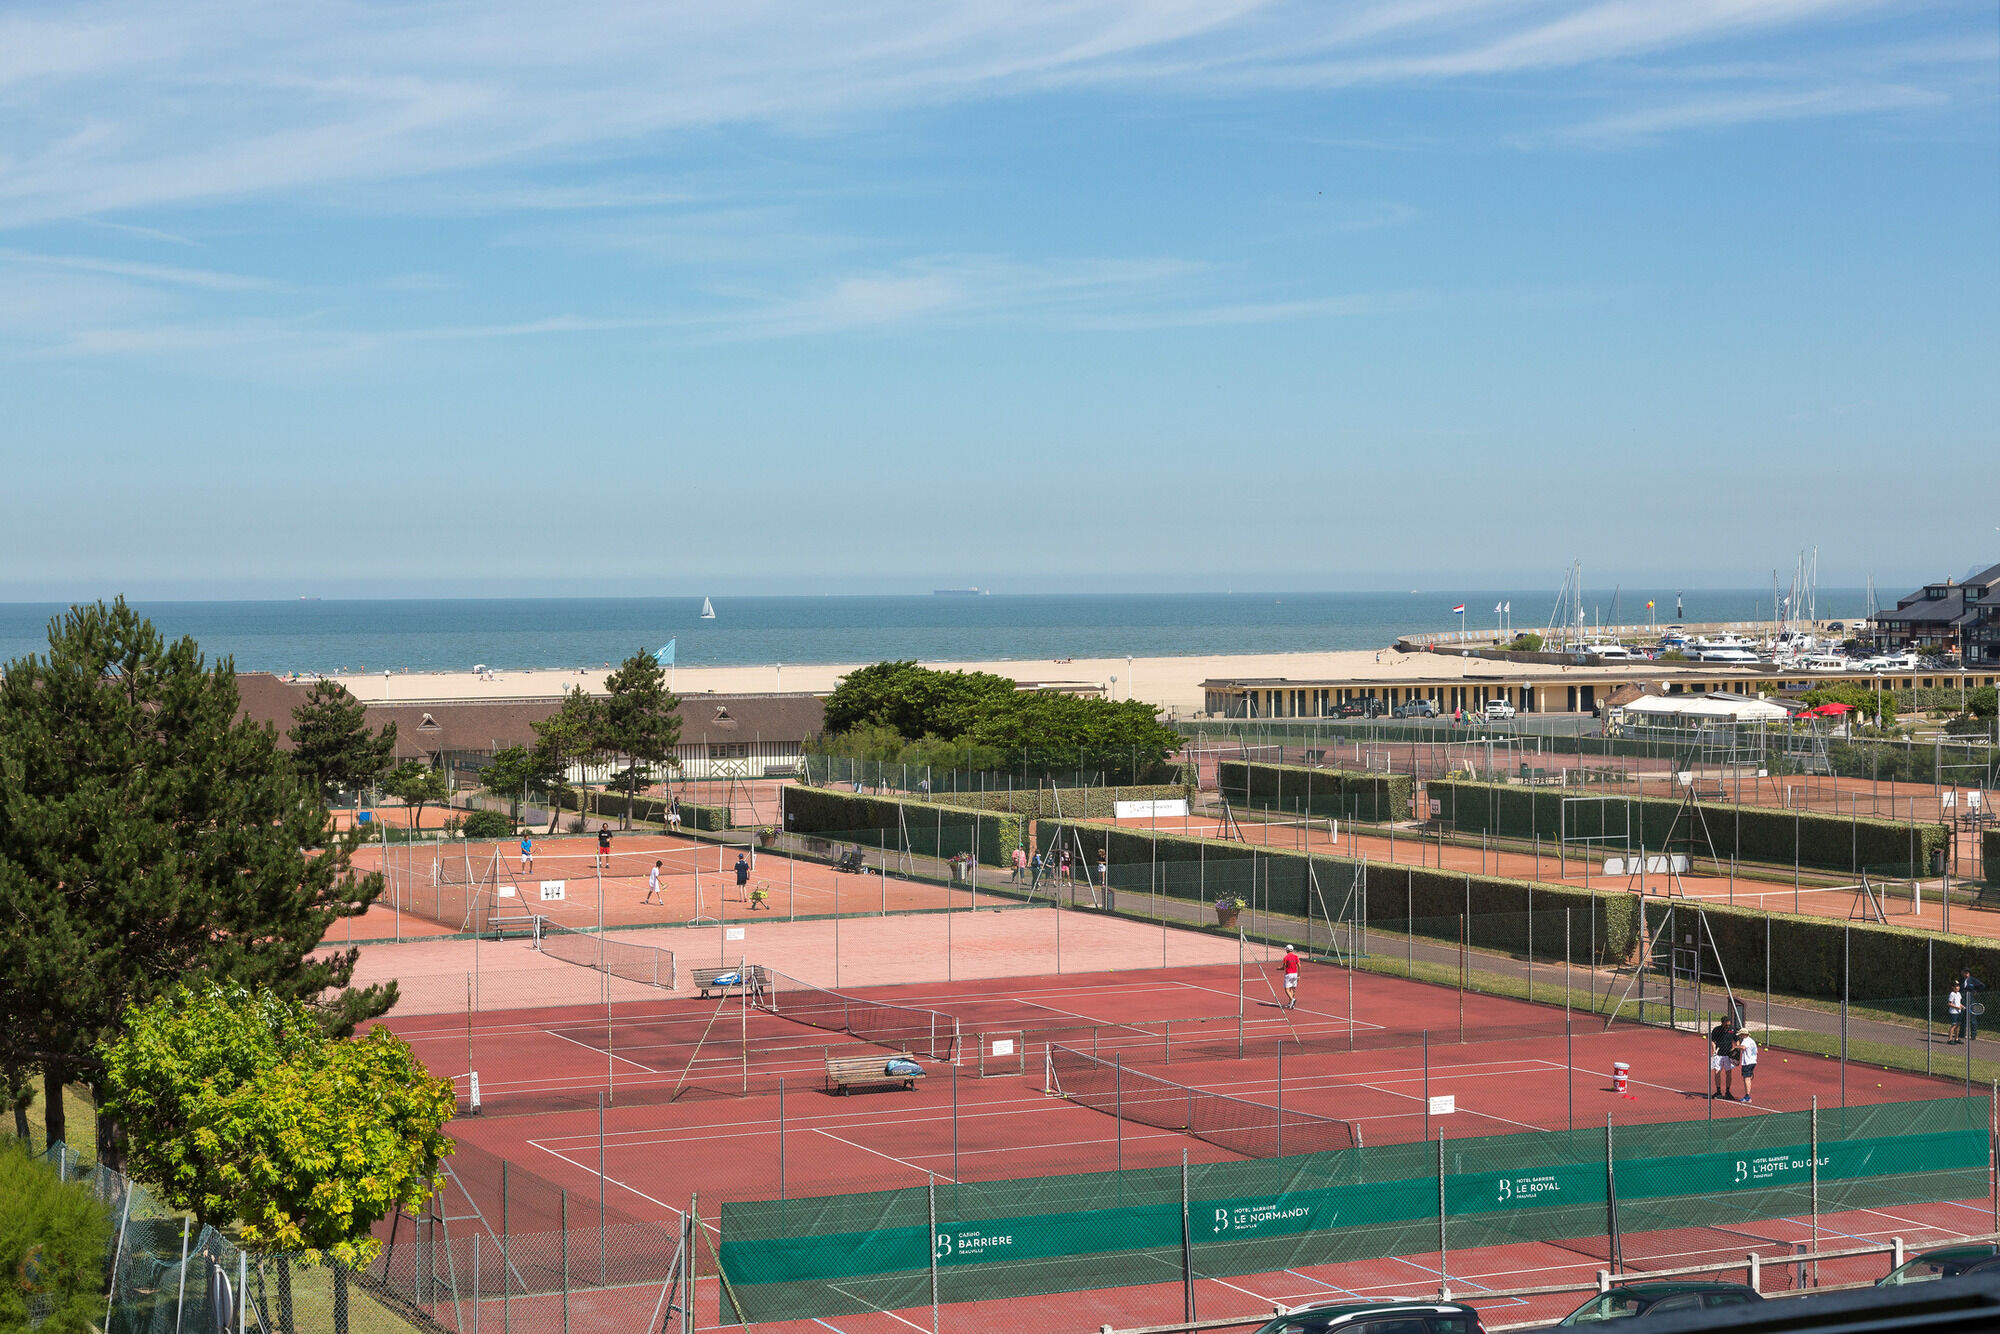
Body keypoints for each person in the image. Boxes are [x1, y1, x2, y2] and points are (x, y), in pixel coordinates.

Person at [1709, 1015, 1738, 1099]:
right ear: (1722, 1023)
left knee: (1728, 1072)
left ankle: (1728, 1091)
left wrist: (1736, 1050)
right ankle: (1718, 1091)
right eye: (1726, 1025)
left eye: (1729, 1025)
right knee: (1717, 1072)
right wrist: (1714, 1049)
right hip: (1718, 1055)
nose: (1727, 1027)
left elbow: (1737, 1041)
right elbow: (1713, 1041)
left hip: (1728, 1055)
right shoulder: (1716, 1030)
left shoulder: (1732, 1030)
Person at [1733, 1030, 1759, 1104]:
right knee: (1748, 1078)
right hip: (1753, 1061)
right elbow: (1756, 1051)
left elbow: (1743, 1047)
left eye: (1741, 1035)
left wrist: (1736, 1047)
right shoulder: (1752, 1041)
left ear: (1744, 1034)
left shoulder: (1745, 1041)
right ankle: (1747, 1095)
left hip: (1747, 1062)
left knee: (1746, 1079)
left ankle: (1747, 1096)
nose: (1740, 1036)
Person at [1962, 969, 1986, 1042]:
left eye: (1967, 972)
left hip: (1971, 999)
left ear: (1969, 973)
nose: (1966, 974)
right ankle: (1961, 1034)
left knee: (1972, 1018)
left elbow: (1982, 985)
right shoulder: (1961, 980)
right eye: (1964, 972)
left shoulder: (1973, 980)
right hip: (1963, 999)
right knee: (1963, 1017)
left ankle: (1973, 1035)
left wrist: (1976, 991)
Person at [1279, 944, 1301, 1009]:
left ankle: (1292, 999)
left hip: (1288, 974)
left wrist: (1279, 968)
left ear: (1288, 950)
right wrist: (1299, 975)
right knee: (1292, 989)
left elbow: (1283, 967)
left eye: (1286, 949)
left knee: (1286, 989)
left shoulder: (1286, 957)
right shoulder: (1296, 957)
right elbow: (1299, 966)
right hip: (1295, 974)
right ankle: (1290, 1004)